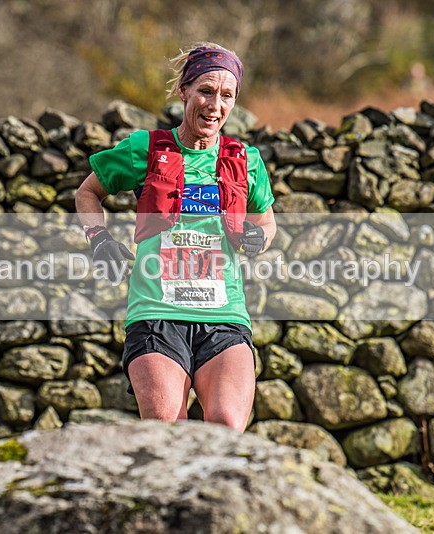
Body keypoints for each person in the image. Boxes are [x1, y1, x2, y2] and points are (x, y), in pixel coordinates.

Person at [75, 43, 276, 432]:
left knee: (227, 427)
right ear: (184, 91)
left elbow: (267, 223)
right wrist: (98, 237)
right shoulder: (145, 149)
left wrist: (259, 238)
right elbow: (87, 192)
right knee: (167, 429)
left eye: (227, 95)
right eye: (206, 91)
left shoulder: (245, 160)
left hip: (225, 316)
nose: (215, 105)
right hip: (157, 314)